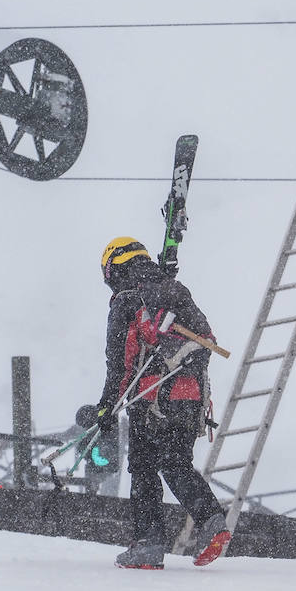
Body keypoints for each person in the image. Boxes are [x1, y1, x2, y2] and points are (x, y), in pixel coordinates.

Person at [84, 237, 231, 570]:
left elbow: (121, 362)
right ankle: (212, 521)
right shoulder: (175, 290)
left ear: (113, 268)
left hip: (152, 401)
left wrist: (107, 405)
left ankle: (148, 544)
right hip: (192, 396)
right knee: (176, 463)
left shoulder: (126, 299)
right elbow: (205, 338)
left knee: (145, 468)